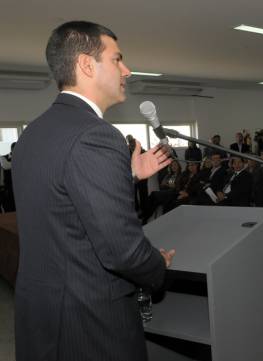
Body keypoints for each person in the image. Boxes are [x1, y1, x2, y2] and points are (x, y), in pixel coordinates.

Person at [12, 21, 175, 361]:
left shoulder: (34, 132)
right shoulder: (96, 135)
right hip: (89, 322)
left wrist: (127, 174)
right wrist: (157, 267)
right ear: (87, 64)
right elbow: (123, 252)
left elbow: (62, 202)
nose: (127, 71)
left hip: (42, 312)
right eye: (117, 59)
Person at [0, 142, 16, 212]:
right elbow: (6, 166)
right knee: (8, 208)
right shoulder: (3, 157)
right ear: (12, 150)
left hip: (17, 188)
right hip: (6, 189)